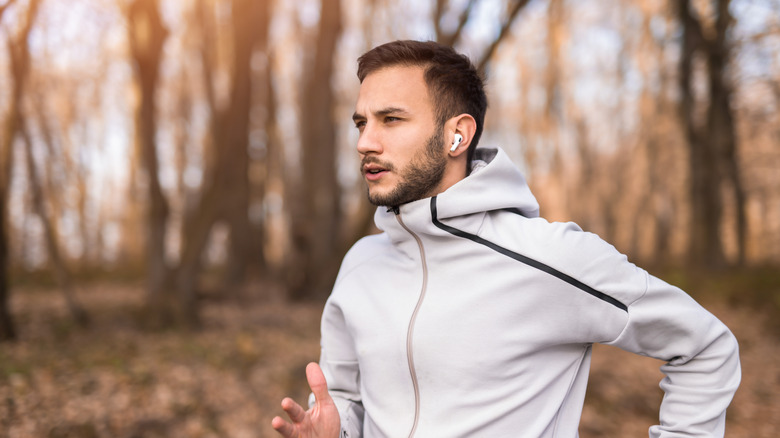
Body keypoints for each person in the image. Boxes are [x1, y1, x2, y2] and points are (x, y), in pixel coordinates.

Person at [272, 40, 741, 438]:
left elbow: (705, 348)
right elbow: (349, 398)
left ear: (457, 136)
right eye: (361, 122)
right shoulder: (361, 262)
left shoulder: (549, 256)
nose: (365, 142)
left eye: (391, 120)